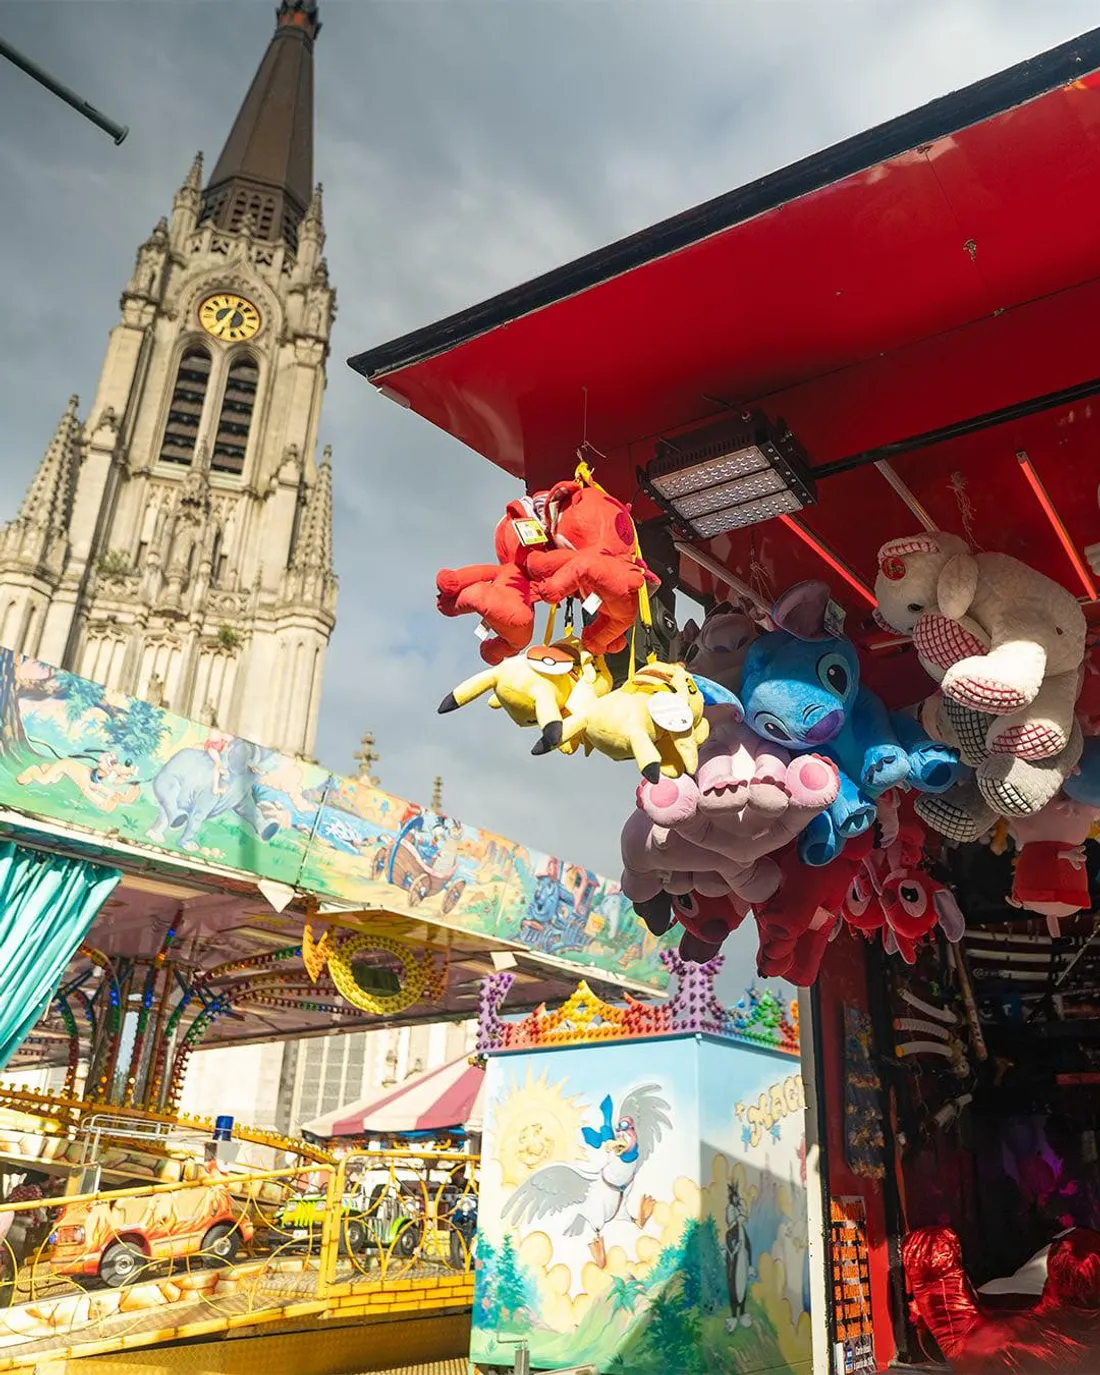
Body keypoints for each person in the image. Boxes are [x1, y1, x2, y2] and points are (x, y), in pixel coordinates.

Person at [203, 729, 231, 796]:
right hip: (212, 748)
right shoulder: (220, 733)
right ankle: (215, 788)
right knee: (218, 763)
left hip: (215, 748)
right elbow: (213, 737)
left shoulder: (224, 737)